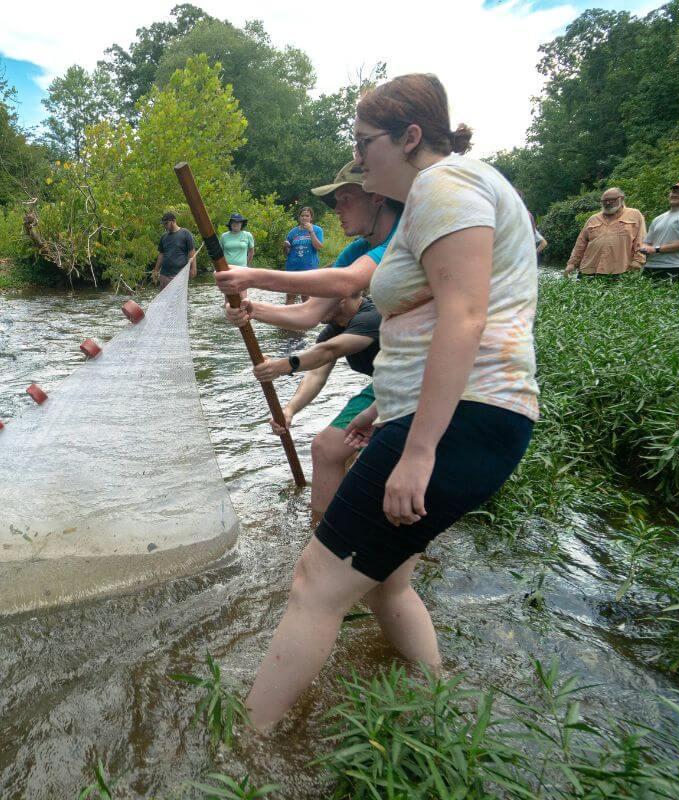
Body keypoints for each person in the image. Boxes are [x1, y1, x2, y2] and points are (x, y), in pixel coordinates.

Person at [221, 73, 538, 731]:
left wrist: (418, 453)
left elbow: (465, 317)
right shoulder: (435, 199)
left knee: (315, 584)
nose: (360, 163)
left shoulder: (447, 186)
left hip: (462, 420)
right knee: (388, 581)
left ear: (411, 136)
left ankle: (245, 751)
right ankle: (437, 696)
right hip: (462, 418)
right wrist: (378, 412)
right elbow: (381, 309)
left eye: (366, 143)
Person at [223, 160, 400, 529]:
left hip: (434, 379)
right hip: (391, 384)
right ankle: (320, 535)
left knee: (385, 477)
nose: (335, 209)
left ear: (377, 197)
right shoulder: (356, 251)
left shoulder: (403, 242)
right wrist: (254, 309)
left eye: (345, 198)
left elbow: (337, 305)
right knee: (325, 447)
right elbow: (308, 316)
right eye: (333, 201)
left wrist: (254, 277)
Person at [564, 188, 646, 278]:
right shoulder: (593, 219)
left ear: (621, 199)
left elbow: (641, 240)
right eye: (604, 201)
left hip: (620, 270)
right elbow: (580, 244)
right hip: (589, 270)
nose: (607, 203)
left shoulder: (635, 215)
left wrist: (638, 261)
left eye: (611, 200)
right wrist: (571, 264)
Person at [638, 179, 679, 284]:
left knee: (672, 300)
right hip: (651, 266)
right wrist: (644, 247)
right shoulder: (658, 218)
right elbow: (647, 242)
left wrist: (657, 249)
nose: (676, 194)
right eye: (674, 191)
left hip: (677, 266)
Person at [282, 207, 324, 304]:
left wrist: (311, 231)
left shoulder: (317, 230)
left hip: (308, 267)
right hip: (292, 267)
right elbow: (287, 253)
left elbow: (319, 247)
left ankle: (305, 318)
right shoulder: (293, 232)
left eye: (307, 216)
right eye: (302, 216)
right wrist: (285, 247)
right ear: (299, 217)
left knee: (306, 297)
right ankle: (287, 318)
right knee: (290, 295)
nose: (304, 218)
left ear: (311, 218)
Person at [152, 211, 197, 290]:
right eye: (164, 224)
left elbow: (191, 252)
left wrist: (193, 269)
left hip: (179, 274)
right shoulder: (164, 237)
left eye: (166, 223)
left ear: (174, 221)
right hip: (164, 275)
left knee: (176, 300)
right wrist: (156, 270)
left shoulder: (185, 233)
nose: (165, 226)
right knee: (164, 300)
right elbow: (161, 254)